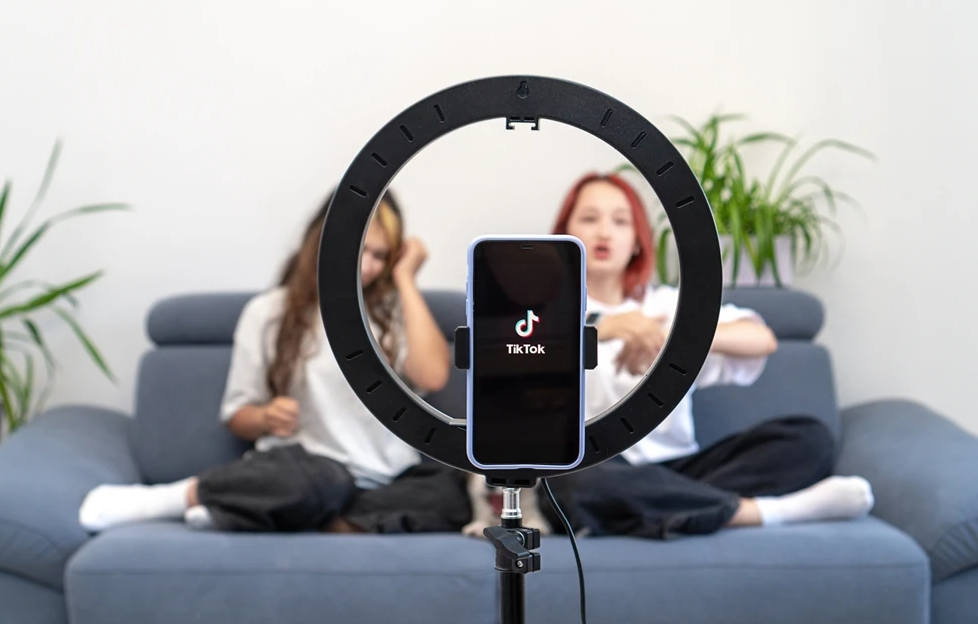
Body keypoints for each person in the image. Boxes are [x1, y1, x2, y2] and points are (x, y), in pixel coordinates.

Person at [80, 192, 472, 534]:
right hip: (310, 471)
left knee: (447, 493)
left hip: (386, 481)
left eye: (381, 256)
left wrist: (406, 279)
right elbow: (237, 416)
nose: (367, 265)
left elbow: (434, 375)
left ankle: (251, 515)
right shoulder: (270, 312)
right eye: (360, 249)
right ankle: (179, 498)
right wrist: (266, 417)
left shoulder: (395, 311)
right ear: (325, 241)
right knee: (321, 483)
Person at [540, 172, 874, 539]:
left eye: (620, 221)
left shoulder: (667, 305)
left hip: (678, 469)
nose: (604, 231)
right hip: (594, 466)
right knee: (570, 482)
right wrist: (599, 329)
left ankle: (649, 510)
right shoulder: (540, 312)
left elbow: (760, 339)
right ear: (564, 233)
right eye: (589, 218)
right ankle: (765, 513)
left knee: (809, 440)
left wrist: (665, 338)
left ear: (637, 240)